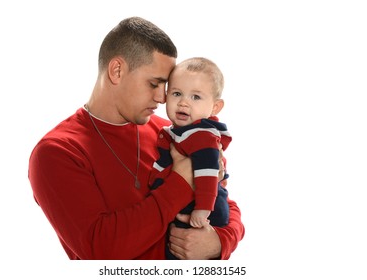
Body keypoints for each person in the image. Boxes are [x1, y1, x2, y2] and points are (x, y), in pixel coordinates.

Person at [28, 16, 244, 260]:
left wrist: (219, 242)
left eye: (166, 87)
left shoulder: (171, 132)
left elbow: (226, 200)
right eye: (154, 84)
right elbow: (99, 251)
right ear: (117, 71)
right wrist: (182, 181)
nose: (163, 99)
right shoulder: (57, 152)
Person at [149, 57, 233, 259]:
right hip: (191, 202)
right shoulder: (179, 131)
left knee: (178, 251)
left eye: (196, 97)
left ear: (215, 107)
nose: (184, 102)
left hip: (203, 205)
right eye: (177, 93)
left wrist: (203, 209)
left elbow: (208, 173)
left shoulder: (202, 134)